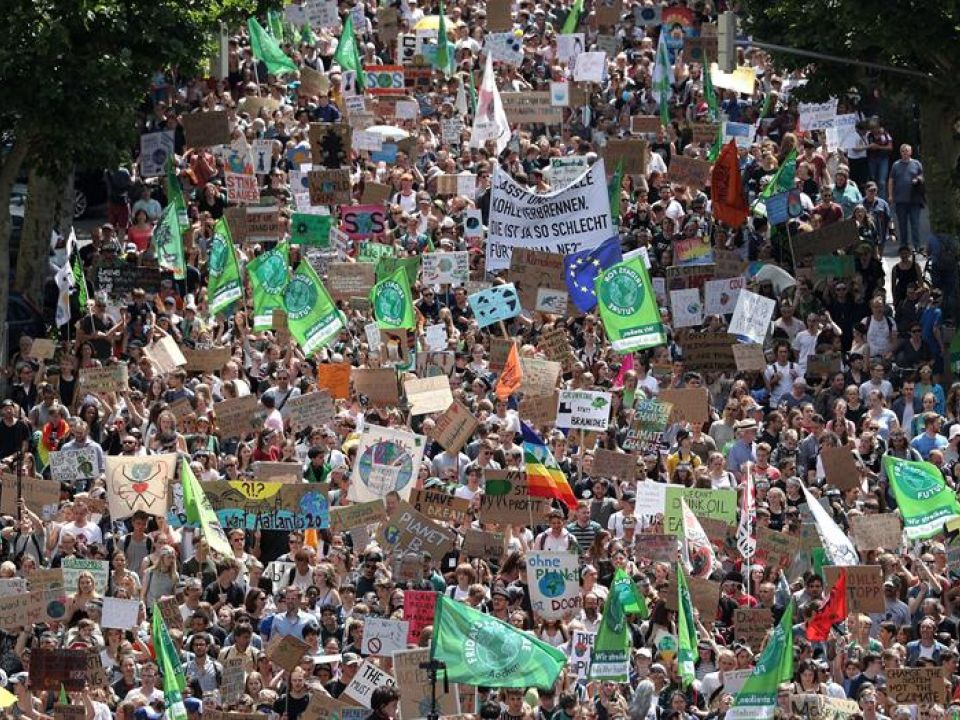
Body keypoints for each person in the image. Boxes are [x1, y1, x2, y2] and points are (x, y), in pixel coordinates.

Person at [887, 144, 925, 251]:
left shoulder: (917, 163)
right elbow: (891, 180)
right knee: (902, 225)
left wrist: (918, 179)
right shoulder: (896, 165)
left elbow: (922, 176)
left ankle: (917, 246)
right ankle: (904, 246)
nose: (905, 153)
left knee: (915, 224)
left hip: (915, 200)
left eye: (907, 151)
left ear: (911, 152)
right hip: (900, 200)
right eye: (903, 151)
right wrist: (890, 195)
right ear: (900, 153)